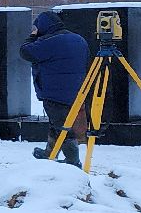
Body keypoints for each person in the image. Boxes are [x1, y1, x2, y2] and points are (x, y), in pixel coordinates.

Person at [20, 10, 90, 167]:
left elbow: (25, 51)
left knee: (61, 126)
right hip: (76, 90)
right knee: (56, 122)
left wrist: (32, 35)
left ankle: (73, 160)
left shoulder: (49, 42)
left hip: (55, 92)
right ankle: (49, 153)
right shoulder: (78, 39)